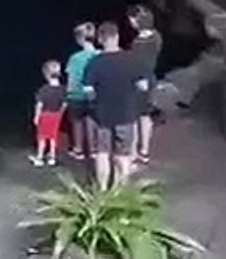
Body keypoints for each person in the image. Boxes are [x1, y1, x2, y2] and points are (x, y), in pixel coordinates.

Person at [82, 22, 143, 188]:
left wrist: (95, 103)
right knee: (123, 154)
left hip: (102, 115)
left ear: (100, 39)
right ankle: (119, 189)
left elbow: (88, 92)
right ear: (117, 37)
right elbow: (143, 86)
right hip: (126, 113)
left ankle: (102, 189)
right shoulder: (132, 60)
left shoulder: (94, 63)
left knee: (102, 153)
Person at [126, 4, 163, 165]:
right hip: (151, 78)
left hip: (138, 81)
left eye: (132, 20)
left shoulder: (138, 43)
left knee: (133, 116)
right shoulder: (156, 37)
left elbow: (136, 63)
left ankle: (133, 151)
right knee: (145, 116)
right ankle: (145, 150)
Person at [64, 22, 99, 160]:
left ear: (79, 39)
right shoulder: (99, 55)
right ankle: (93, 149)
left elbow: (71, 78)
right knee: (92, 121)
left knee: (77, 122)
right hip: (94, 95)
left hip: (76, 95)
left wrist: (67, 94)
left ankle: (78, 149)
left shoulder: (75, 58)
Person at [30, 60, 67, 167]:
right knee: (53, 137)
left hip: (45, 115)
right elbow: (65, 104)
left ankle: (39, 157)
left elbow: (39, 104)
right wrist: (60, 113)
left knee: (42, 137)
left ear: (46, 74)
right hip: (56, 115)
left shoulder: (44, 90)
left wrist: (36, 116)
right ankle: (52, 157)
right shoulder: (63, 89)